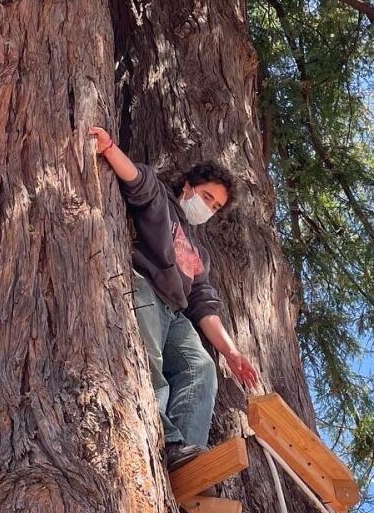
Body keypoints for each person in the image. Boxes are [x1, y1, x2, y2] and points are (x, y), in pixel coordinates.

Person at [89, 126, 260, 472]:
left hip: (177, 313)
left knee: (201, 367)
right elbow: (138, 180)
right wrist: (109, 149)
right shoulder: (164, 204)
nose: (209, 207)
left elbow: (204, 304)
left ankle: (187, 455)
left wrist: (231, 352)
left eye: (216, 206)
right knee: (149, 358)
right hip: (145, 286)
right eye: (207, 196)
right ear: (189, 186)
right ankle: (167, 441)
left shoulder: (201, 254)